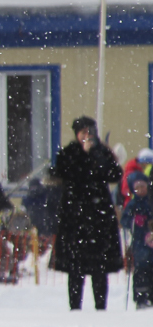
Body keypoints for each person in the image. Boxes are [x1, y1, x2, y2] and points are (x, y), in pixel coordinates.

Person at [50, 117, 123, 311]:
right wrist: (82, 156)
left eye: (89, 131)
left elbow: (114, 174)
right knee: (76, 269)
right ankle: (75, 307)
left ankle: (101, 307)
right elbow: (62, 173)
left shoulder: (102, 152)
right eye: (82, 132)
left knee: (99, 269)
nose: (86, 135)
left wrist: (96, 155)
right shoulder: (69, 153)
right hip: (76, 218)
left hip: (98, 219)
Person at [122, 173, 153, 308]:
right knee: (141, 270)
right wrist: (134, 221)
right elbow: (125, 220)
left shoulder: (150, 202)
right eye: (138, 187)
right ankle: (141, 297)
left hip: (150, 239)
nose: (141, 190)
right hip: (139, 241)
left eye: (143, 186)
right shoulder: (133, 204)